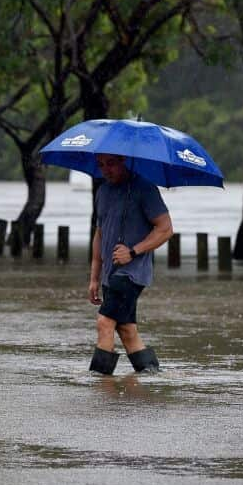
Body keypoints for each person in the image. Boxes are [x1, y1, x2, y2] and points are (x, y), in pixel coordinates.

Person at [87, 153, 173, 375]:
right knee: (127, 330)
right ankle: (152, 375)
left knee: (105, 323)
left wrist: (133, 251)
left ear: (125, 160)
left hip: (132, 273)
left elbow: (165, 229)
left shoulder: (145, 188)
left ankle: (99, 383)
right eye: (101, 165)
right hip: (110, 273)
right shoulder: (103, 191)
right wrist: (94, 277)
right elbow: (100, 234)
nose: (106, 170)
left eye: (112, 163)